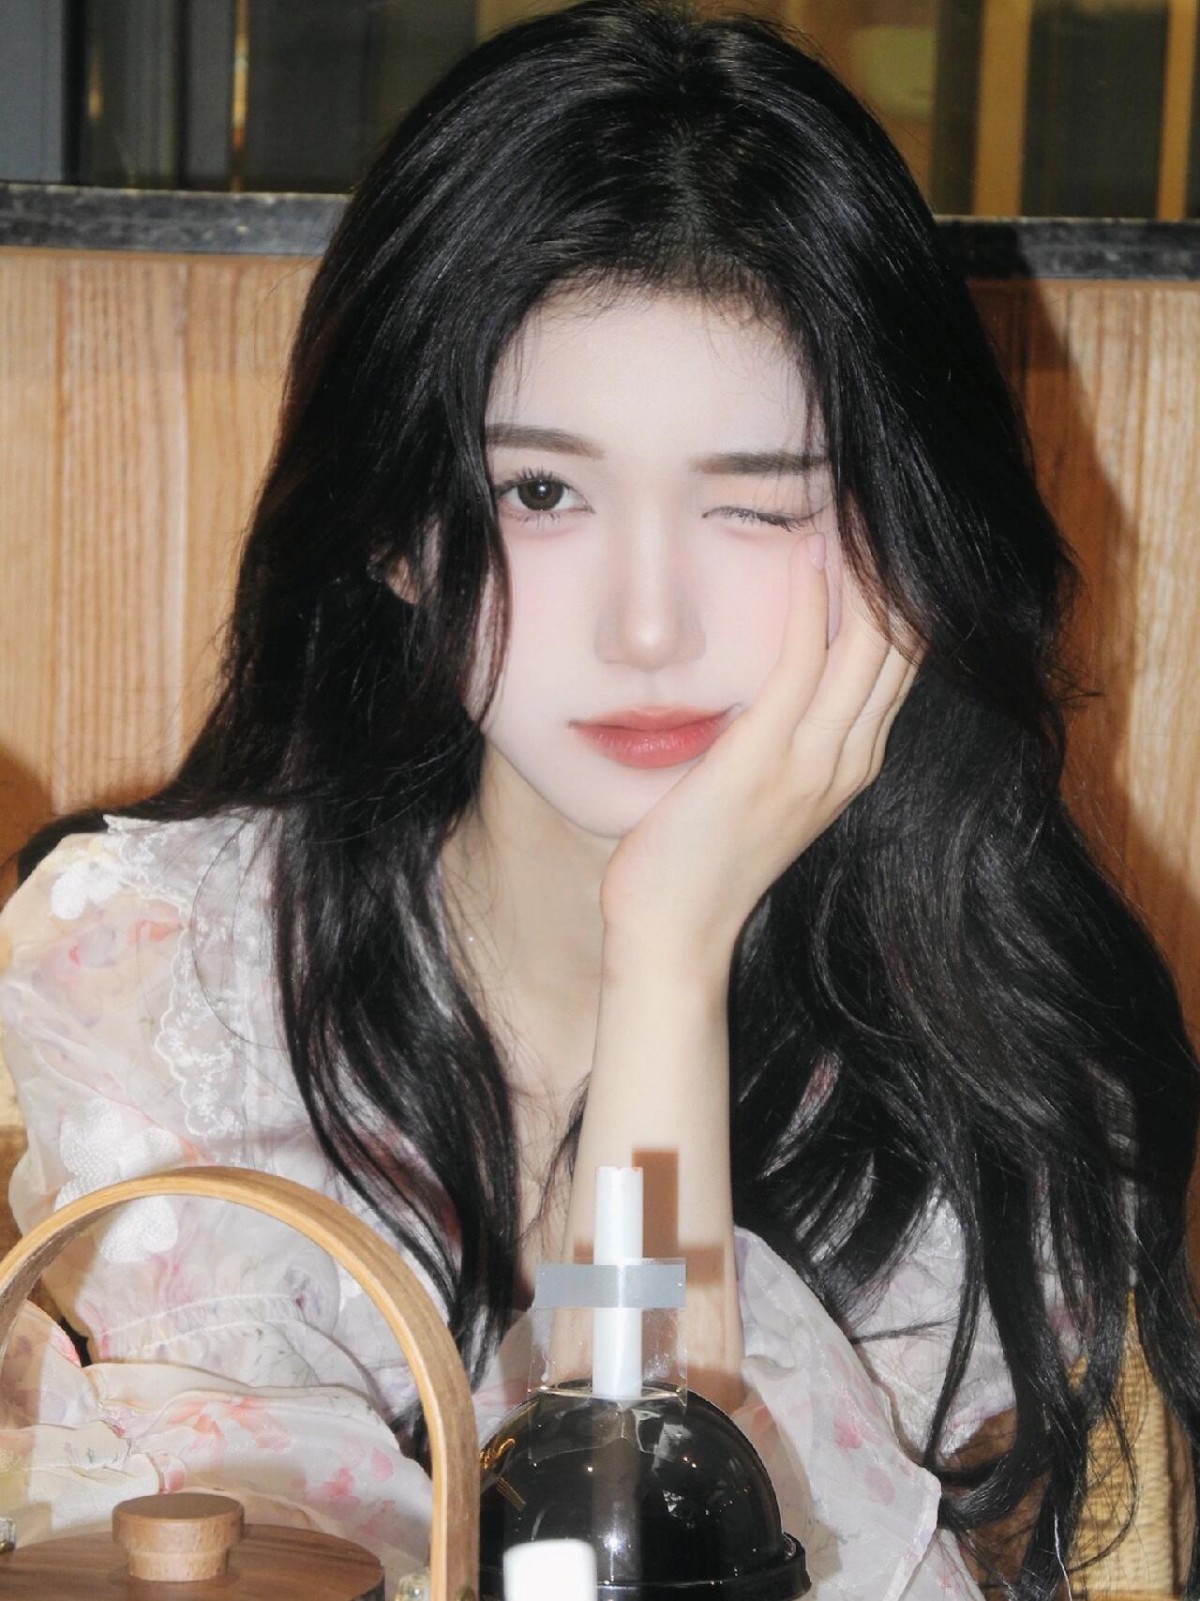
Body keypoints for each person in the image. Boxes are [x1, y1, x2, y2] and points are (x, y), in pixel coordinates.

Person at [1, 3, 1197, 1597]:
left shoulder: (995, 1095)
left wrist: (668, 956)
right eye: (544, 490)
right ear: (400, 528)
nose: (648, 626)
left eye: (756, 502)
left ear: (899, 557)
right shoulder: (162, 977)